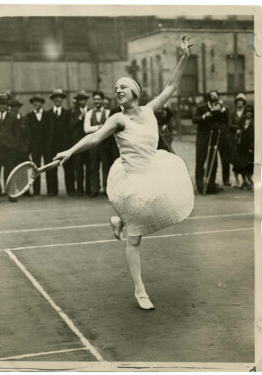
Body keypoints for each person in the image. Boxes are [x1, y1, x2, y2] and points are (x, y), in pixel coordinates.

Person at [54, 35, 194, 310]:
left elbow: (172, 85)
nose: (117, 90)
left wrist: (184, 57)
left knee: (160, 210)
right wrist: (70, 151)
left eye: (122, 87)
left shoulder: (150, 110)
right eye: (115, 87)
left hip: (156, 171)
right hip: (131, 177)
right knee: (136, 236)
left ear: (134, 91)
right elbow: (94, 139)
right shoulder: (116, 119)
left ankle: (119, 220)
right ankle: (140, 290)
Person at [192, 90, 229, 194]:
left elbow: (225, 122)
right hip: (202, 140)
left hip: (214, 139)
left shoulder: (221, 107)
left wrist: (224, 112)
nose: (214, 98)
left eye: (216, 96)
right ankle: (200, 185)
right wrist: (204, 116)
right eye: (212, 96)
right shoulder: (201, 107)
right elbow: (194, 119)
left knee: (213, 162)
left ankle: (211, 184)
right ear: (208, 98)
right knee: (200, 162)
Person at [47, 89, 74, 196]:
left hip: (65, 146)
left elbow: (70, 129)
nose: (57, 99)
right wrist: (47, 146)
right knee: (51, 170)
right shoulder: (48, 114)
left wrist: (69, 147)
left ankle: (70, 189)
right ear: (53, 100)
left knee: (69, 169)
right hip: (51, 146)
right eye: (55, 97)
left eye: (59, 97)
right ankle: (52, 190)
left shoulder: (67, 113)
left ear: (62, 99)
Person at [84, 91, 110, 197]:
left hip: (105, 144)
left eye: (98, 99)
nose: (96, 101)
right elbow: (86, 129)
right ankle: (95, 189)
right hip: (93, 144)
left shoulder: (108, 112)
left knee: (106, 166)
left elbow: (110, 128)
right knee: (93, 166)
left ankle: (106, 189)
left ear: (102, 100)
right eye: (94, 99)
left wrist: (96, 128)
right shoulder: (89, 113)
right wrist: (99, 127)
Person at [26, 94, 50, 195]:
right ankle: (36, 190)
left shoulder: (48, 115)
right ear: (32, 104)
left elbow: (50, 131)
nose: (36, 103)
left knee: (48, 167)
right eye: (34, 102)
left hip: (46, 146)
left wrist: (49, 145)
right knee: (35, 169)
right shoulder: (29, 116)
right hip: (35, 147)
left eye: (38, 101)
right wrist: (30, 147)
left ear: (42, 103)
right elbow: (28, 133)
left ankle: (51, 190)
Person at [68, 90, 91, 196]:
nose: (82, 101)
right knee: (78, 167)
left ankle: (88, 189)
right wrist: (80, 117)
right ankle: (80, 189)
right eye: (80, 99)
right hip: (77, 143)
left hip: (89, 143)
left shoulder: (91, 111)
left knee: (89, 166)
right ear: (78, 101)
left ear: (87, 100)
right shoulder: (73, 112)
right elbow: (70, 126)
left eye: (84, 99)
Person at [231, 105, 254, 190]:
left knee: (249, 164)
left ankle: (250, 180)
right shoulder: (242, 121)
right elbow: (238, 132)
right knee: (239, 163)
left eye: (250, 111)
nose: (248, 113)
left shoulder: (255, 122)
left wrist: (252, 147)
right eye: (247, 111)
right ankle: (243, 181)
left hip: (250, 146)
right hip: (241, 145)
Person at [229, 93, 247, 188]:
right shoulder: (233, 113)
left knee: (243, 160)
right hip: (235, 139)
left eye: (241, 102)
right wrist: (237, 129)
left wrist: (243, 130)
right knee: (235, 160)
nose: (239, 103)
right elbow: (230, 124)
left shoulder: (246, 113)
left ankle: (245, 180)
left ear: (243, 103)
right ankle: (237, 180)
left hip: (244, 140)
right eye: (238, 102)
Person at [9, 99, 30, 166]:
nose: (15, 109)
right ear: (10, 108)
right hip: (10, 151)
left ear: (19, 108)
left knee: (23, 171)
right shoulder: (7, 120)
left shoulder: (25, 119)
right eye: (13, 107)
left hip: (23, 152)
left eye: (17, 106)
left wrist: (26, 147)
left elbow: (28, 134)